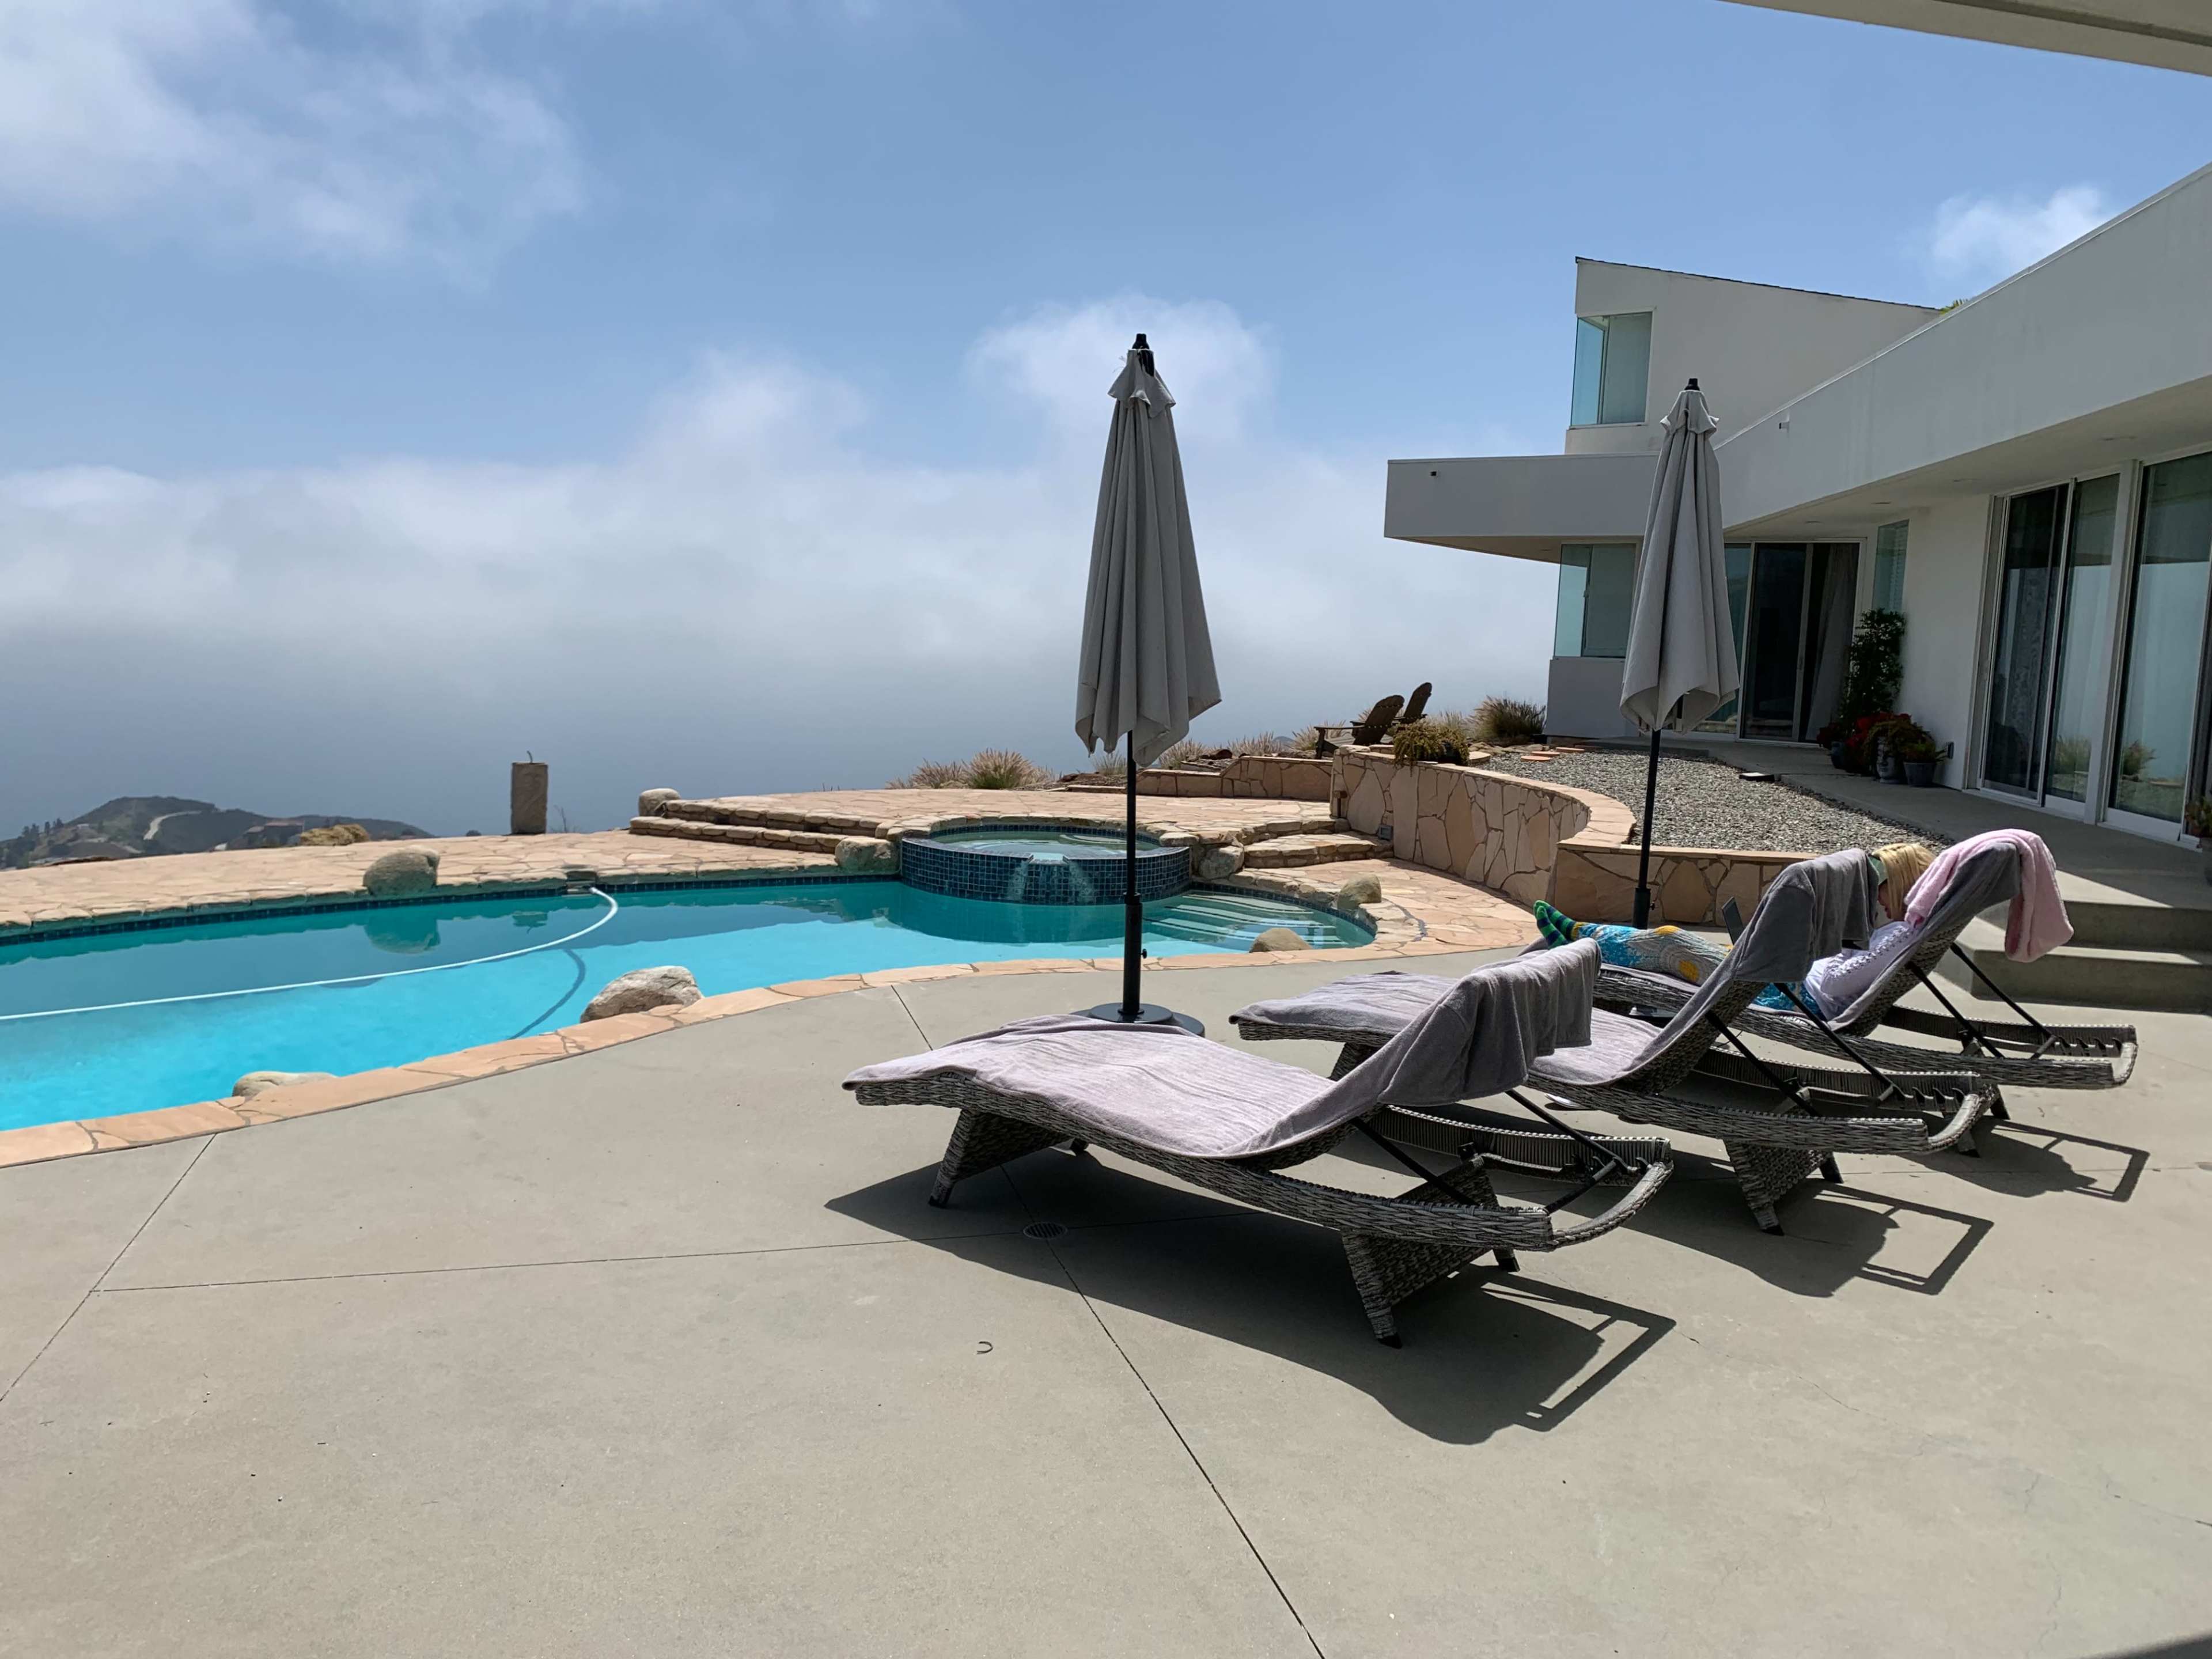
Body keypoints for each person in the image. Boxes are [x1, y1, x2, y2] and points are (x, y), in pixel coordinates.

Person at [1532, 841, 1937, 1016]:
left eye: (1881, 888)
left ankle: (1581, 939)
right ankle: (1583, 940)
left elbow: (1832, 985)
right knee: (1681, 948)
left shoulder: (1900, 936)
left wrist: (1827, 952)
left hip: (1792, 1000)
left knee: (1671, 944)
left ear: (1901, 885)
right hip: (1784, 984)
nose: (1877, 898)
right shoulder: (1899, 932)